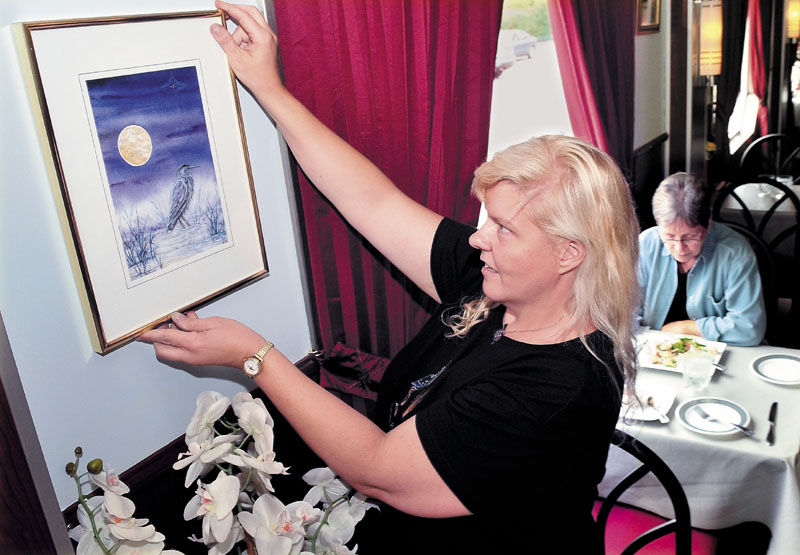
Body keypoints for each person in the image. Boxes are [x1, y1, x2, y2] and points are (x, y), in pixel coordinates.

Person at [140, 2, 641, 552]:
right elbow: (372, 201)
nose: (478, 240)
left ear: (569, 254)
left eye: (503, 228)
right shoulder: (501, 282)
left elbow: (379, 470)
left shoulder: (559, 386)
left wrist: (254, 356)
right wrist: (270, 88)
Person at [637, 172, 766, 346]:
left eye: (690, 237)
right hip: (654, 351)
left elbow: (749, 328)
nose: (679, 247)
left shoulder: (736, 253)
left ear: (708, 223)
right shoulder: (646, 244)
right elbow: (626, 311)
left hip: (719, 355)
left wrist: (686, 328)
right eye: (669, 236)